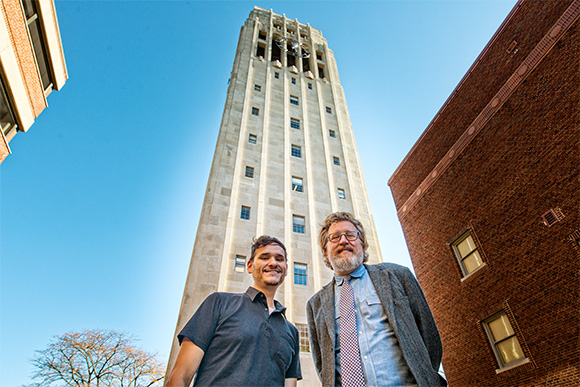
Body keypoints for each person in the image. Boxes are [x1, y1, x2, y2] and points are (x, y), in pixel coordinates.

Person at [307, 212, 446, 386]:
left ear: (362, 245)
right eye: (334, 237)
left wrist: (426, 377)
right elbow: (323, 365)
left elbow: (429, 336)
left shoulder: (398, 276)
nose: (343, 241)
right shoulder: (315, 305)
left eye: (351, 235)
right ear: (325, 251)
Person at [167, 235, 302, 387]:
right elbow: (180, 377)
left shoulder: (292, 331)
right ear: (250, 266)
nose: (273, 263)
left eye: (279, 259)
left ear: (286, 269)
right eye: (264, 257)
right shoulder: (218, 303)